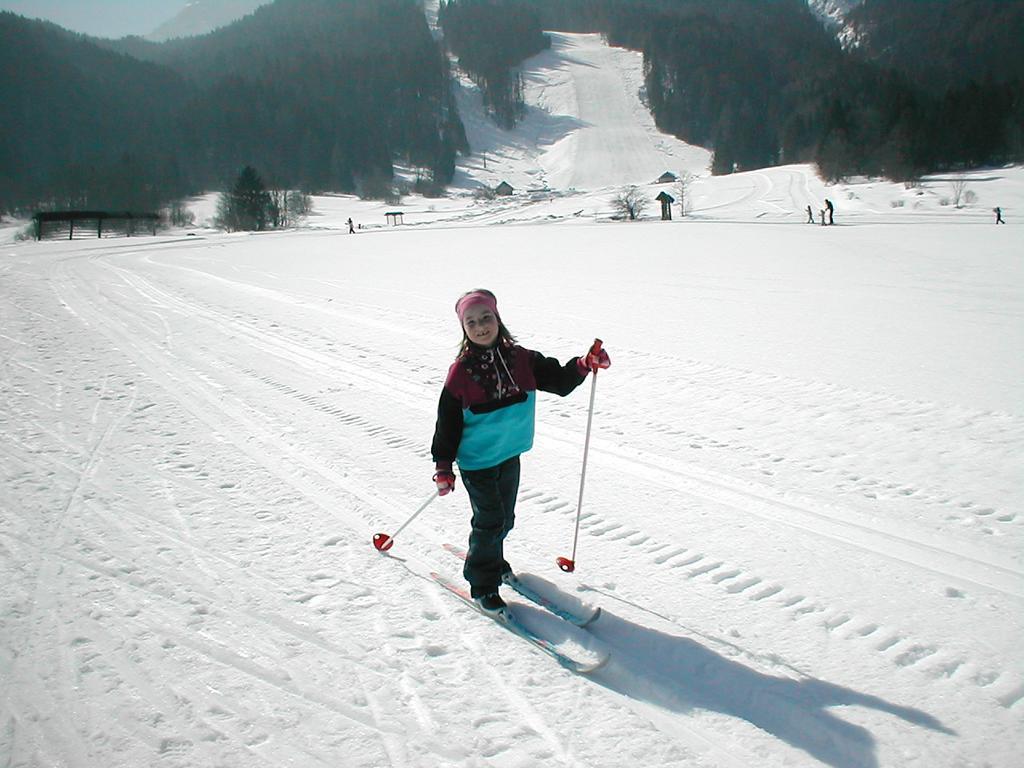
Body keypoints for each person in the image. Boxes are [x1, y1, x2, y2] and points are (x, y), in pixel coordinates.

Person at [431, 289, 610, 614]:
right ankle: (482, 584)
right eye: (472, 321)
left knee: (505, 519)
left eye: (486, 317)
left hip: (509, 454)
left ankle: (493, 558)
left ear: (497, 319)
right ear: (464, 329)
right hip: (476, 461)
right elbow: (447, 422)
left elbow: (559, 380)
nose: (481, 326)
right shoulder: (461, 373)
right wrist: (443, 465)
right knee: (490, 520)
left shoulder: (522, 359)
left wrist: (584, 365)